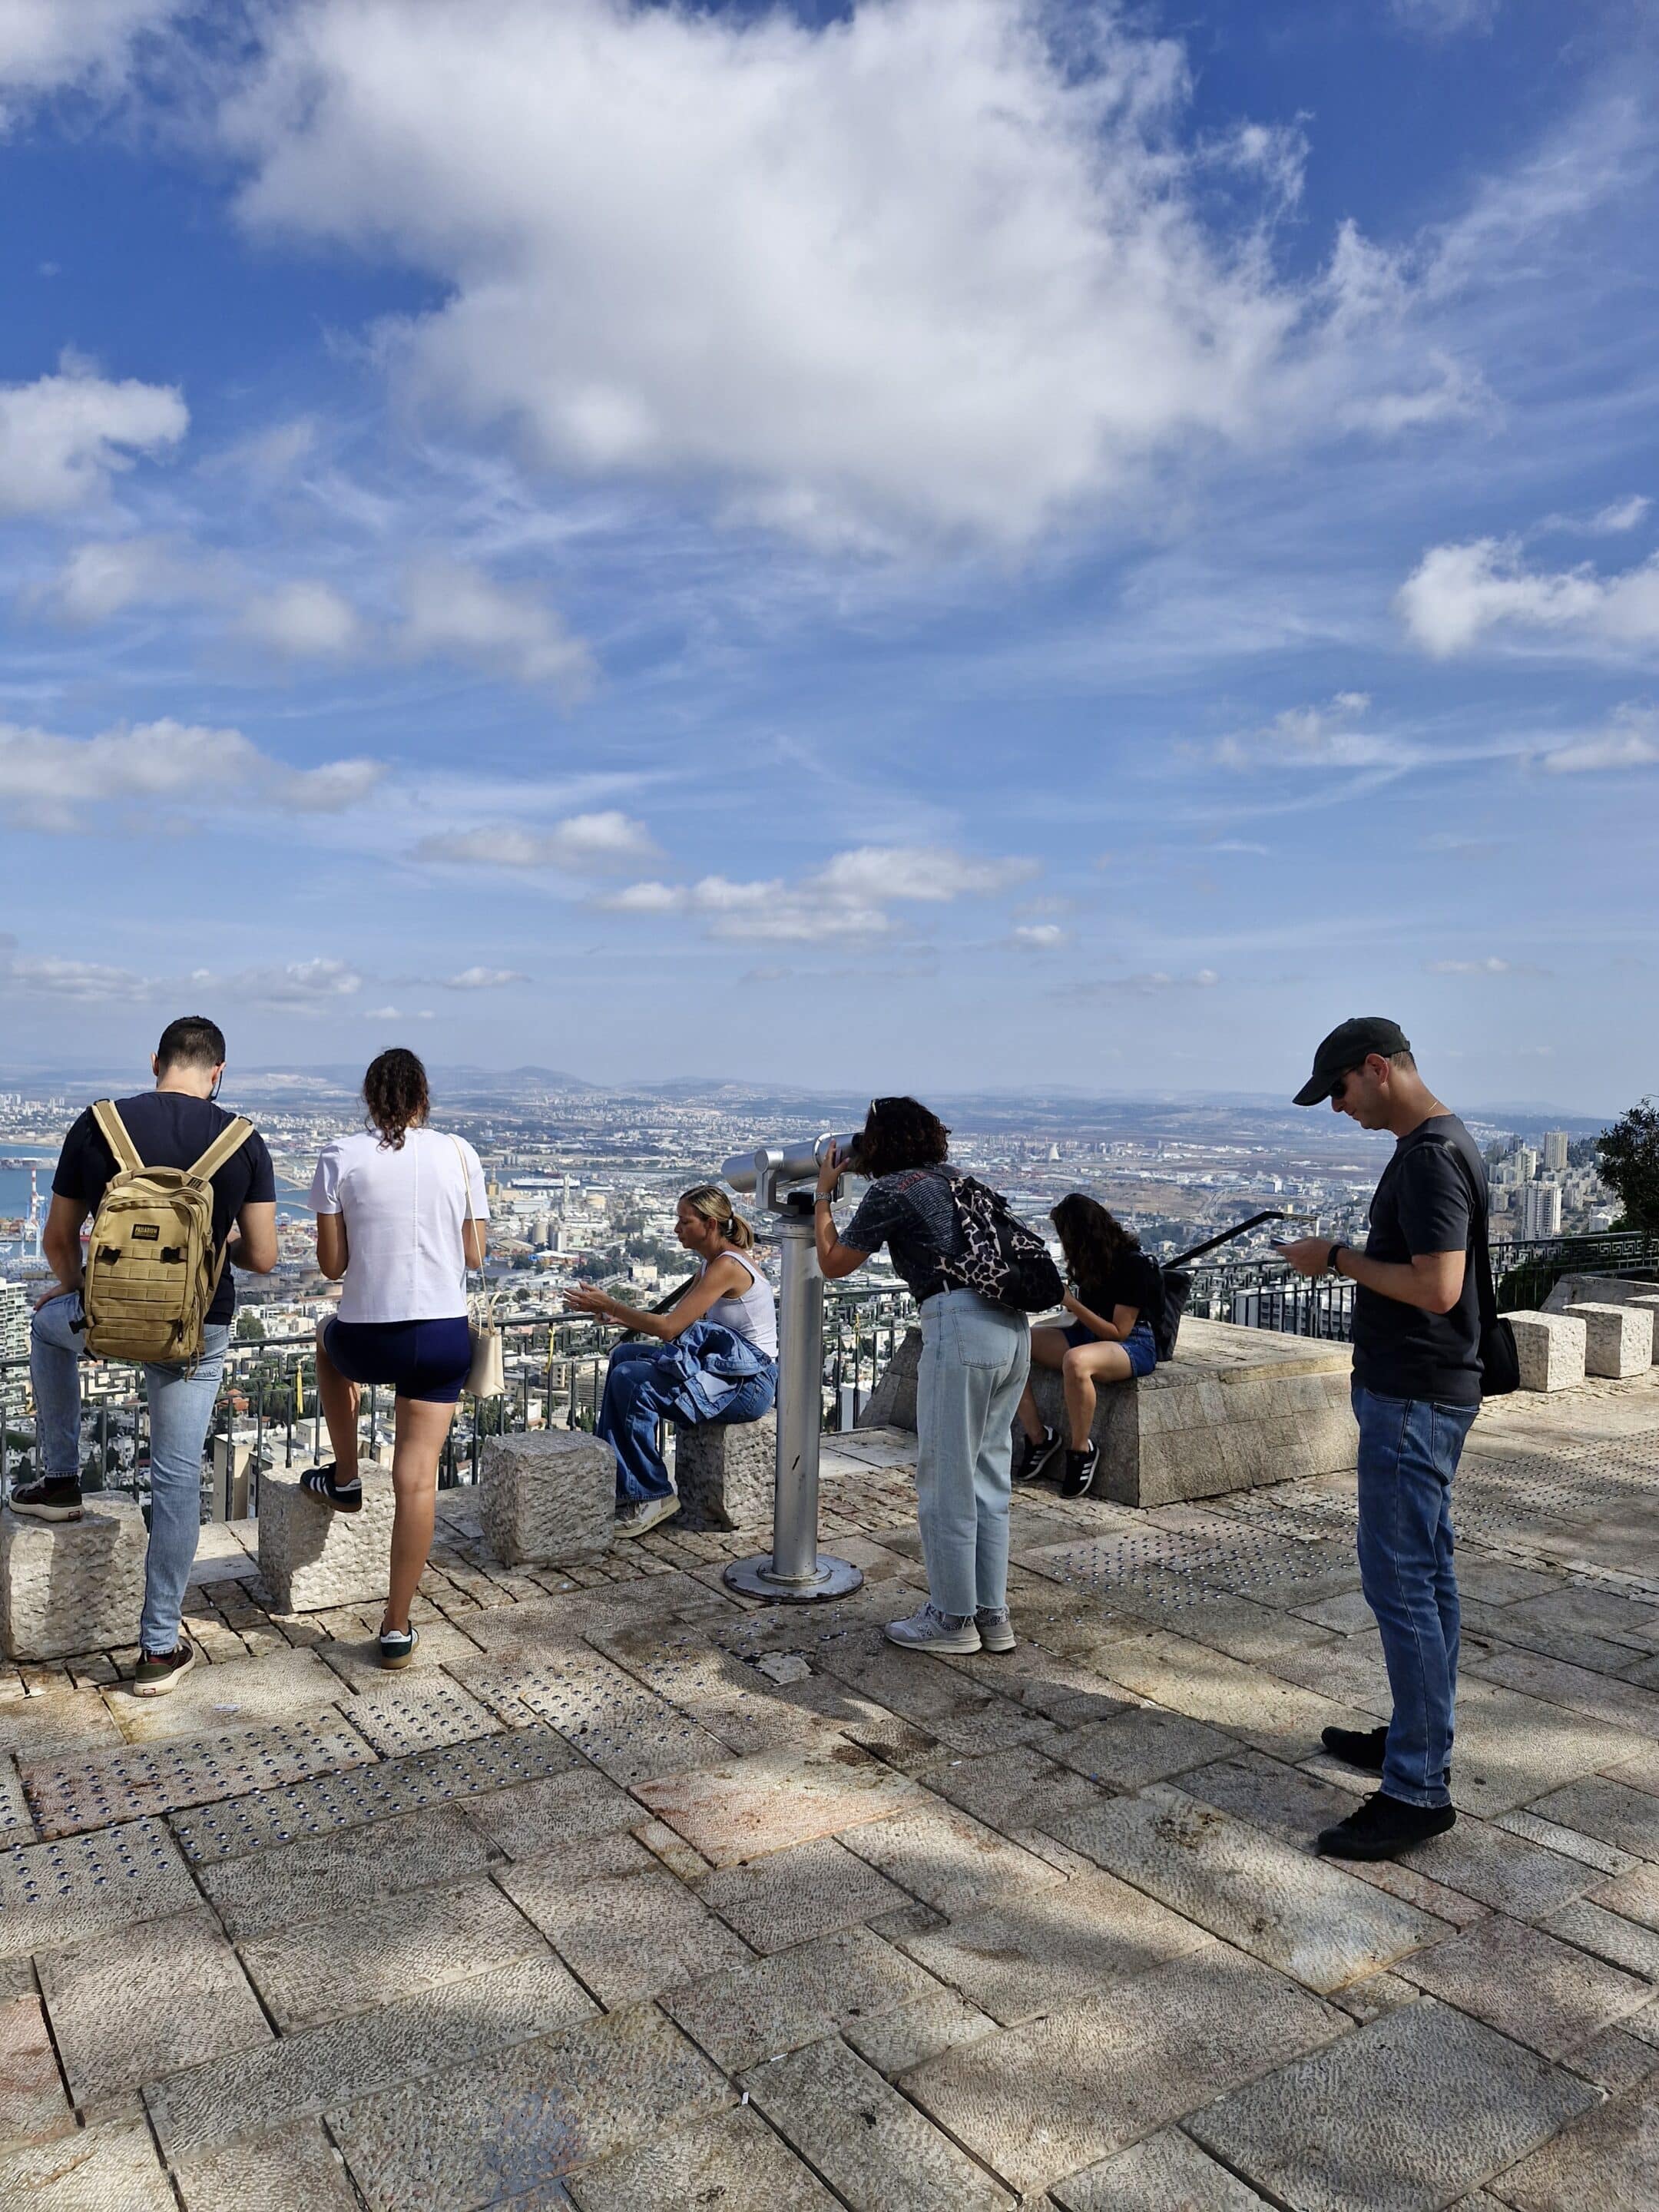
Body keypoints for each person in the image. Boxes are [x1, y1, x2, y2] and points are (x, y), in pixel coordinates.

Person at [12, 1017, 277, 1696]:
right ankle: (158, 1648)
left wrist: (77, 1295)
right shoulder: (243, 1141)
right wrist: (220, 1246)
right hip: (196, 1330)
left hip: (108, 1315)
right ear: (219, 1071)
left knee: (46, 1329)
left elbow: (58, 1236)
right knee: (176, 1480)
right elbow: (268, 1257)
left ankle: (62, 1480)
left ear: (156, 1061)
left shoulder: (100, 1124)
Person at [1281, 1016, 1486, 1861]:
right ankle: (1416, 1736)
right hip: (1420, 1395)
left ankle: (1415, 1790)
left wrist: (1335, 1257)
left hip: (1413, 1397)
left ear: (1377, 1069)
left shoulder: (1431, 1158)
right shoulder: (1442, 1143)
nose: (1337, 1109)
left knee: (1402, 1585)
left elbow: (1438, 1289)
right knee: (1426, 1578)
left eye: (1340, 1090)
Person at [815, 1096, 1030, 1656]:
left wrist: (822, 1195)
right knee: (988, 1480)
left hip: (959, 1327)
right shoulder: (962, 1180)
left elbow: (834, 1262)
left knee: (946, 1483)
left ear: (882, 1141)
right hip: (1012, 1331)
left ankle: (952, 1620)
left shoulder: (896, 1190)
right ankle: (992, 1615)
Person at [305, 1050, 488, 1668]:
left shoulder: (340, 1156)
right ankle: (395, 1626)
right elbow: (476, 1254)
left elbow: (333, 1267)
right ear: (423, 1096)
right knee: (417, 1481)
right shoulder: (460, 1154)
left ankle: (348, 1476)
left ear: (369, 1095)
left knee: (327, 1346)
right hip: (441, 1337)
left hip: (368, 1337)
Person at [568, 1184, 778, 1538]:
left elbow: (669, 1328)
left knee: (631, 1379)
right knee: (623, 1356)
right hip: (726, 1369)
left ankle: (651, 1494)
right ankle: (621, 1483)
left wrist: (613, 1306)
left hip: (749, 1383)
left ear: (710, 1224)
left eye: (684, 1222)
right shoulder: (713, 1263)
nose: (676, 1229)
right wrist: (621, 1318)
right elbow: (683, 1325)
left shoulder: (726, 1267)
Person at [1012, 1194, 1161, 1498]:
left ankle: (1081, 1450)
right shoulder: (1093, 1263)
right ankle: (1038, 1437)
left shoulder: (1133, 1266)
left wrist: (1070, 1302)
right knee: (1015, 1344)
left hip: (1134, 1345)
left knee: (1076, 1362)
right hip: (1089, 1335)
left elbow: (1119, 1331)